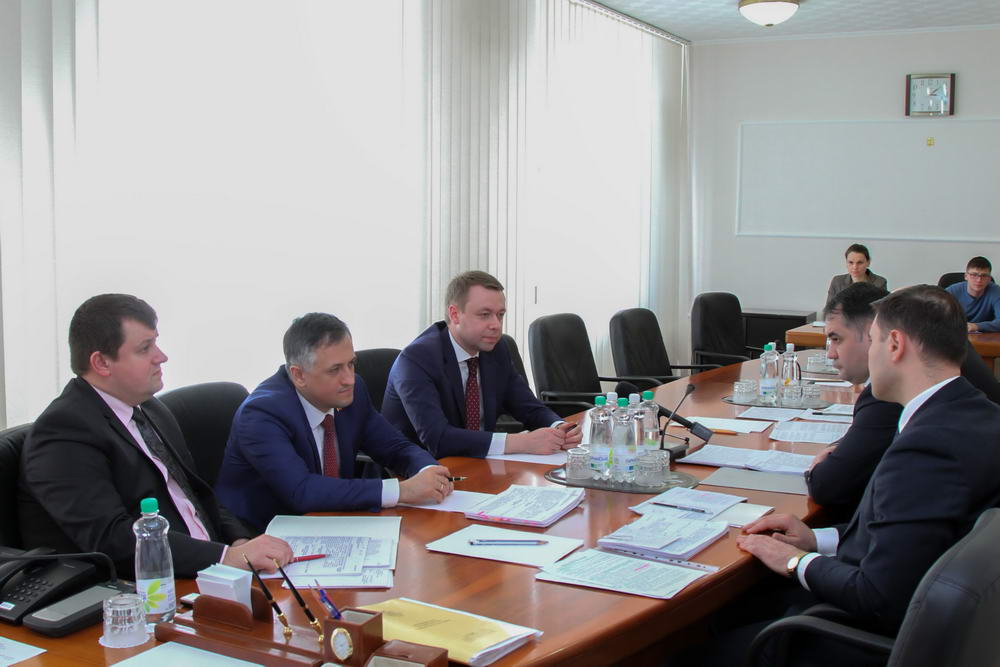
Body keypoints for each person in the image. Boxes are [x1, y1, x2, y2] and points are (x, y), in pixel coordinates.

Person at [695, 285, 1000, 666]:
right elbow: (913, 537)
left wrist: (794, 560)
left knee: (694, 651)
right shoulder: (979, 414)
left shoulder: (926, 448)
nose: (870, 353)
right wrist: (816, 538)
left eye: (873, 340)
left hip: (871, 638)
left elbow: (878, 596)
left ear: (895, 344)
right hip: (943, 628)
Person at [17, 294, 292, 577]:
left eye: (155, 343)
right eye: (145, 348)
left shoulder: (149, 408)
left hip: (215, 569)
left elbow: (196, 495)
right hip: (149, 587)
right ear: (102, 363)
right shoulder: (64, 432)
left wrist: (239, 542)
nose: (161, 357)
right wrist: (225, 557)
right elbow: (112, 539)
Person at [216, 313, 451, 532]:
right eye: (335, 369)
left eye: (351, 364)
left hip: (335, 523)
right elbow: (302, 491)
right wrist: (402, 491)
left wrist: (429, 472)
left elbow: (395, 447)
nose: (349, 379)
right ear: (299, 375)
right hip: (264, 537)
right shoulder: (262, 414)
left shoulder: (353, 392)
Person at [382, 271, 582, 458]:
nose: (496, 325)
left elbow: (529, 407)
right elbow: (438, 439)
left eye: (500, 314)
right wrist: (522, 442)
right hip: (420, 470)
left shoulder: (497, 349)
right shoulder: (417, 360)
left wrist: (559, 428)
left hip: (477, 463)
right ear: (454, 314)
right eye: (484, 314)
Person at [805, 283, 900, 520]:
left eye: (836, 339)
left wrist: (819, 468)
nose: (830, 354)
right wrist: (839, 447)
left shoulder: (889, 393)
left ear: (872, 334)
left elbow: (829, 486)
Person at [945, 256, 1000, 332]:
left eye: (984, 276)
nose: (979, 280)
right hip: (955, 334)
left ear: (989, 279)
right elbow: (935, 318)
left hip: (984, 337)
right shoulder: (951, 291)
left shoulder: (996, 292)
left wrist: (977, 326)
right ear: (966, 276)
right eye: (974, 275)